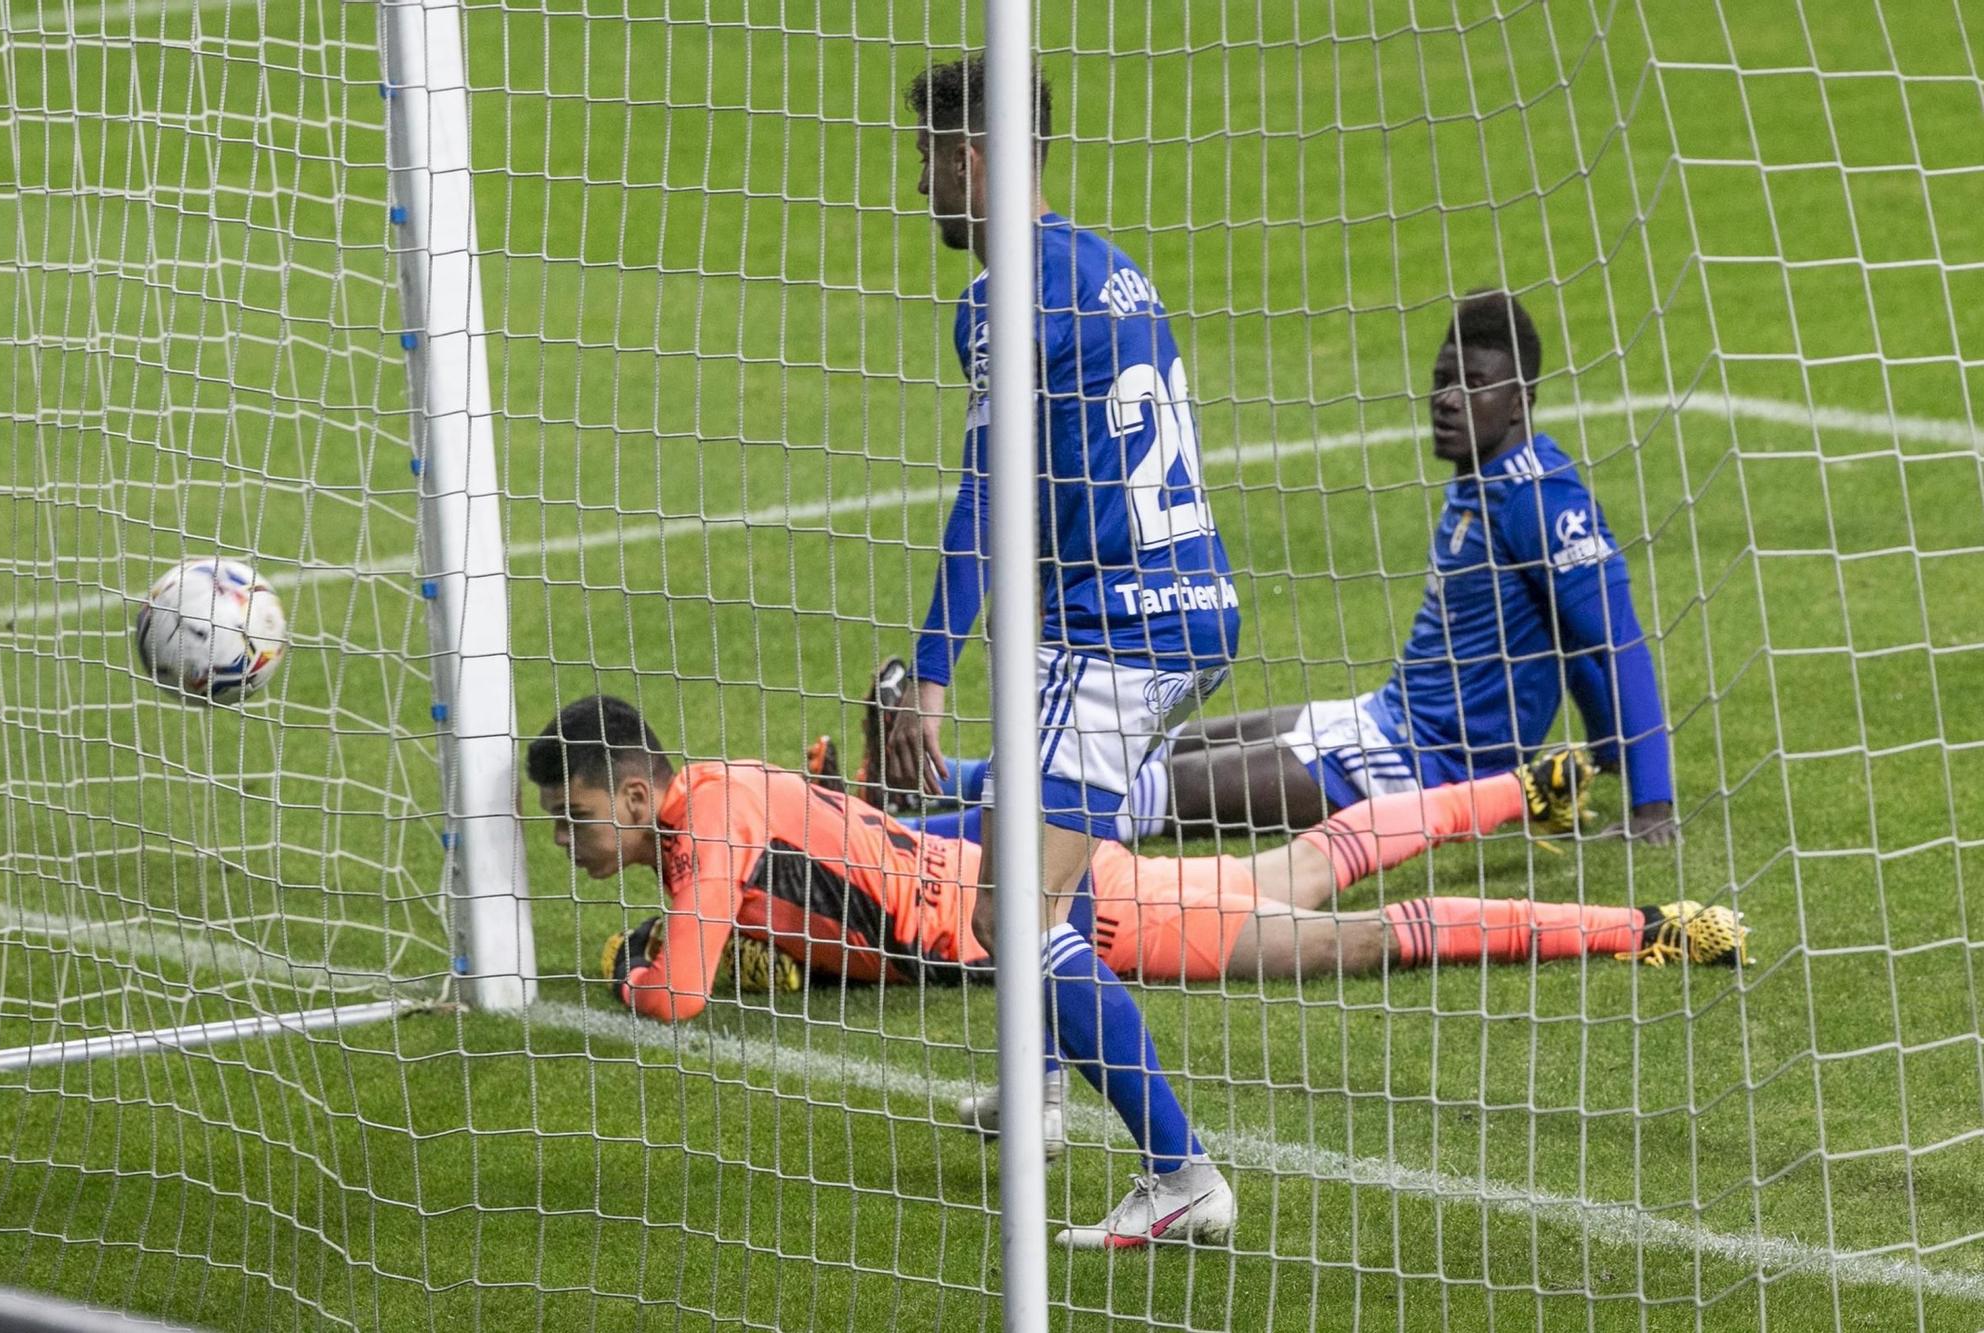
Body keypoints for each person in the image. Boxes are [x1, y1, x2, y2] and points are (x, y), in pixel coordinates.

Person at [529, 695, 1750, 1159]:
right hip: (1030, 879)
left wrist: (650, 966)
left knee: (1339, 927)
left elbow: (681, 992)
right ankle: (1519, 792)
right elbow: (803, 911)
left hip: (1075, 910)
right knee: (1304, 869)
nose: (564, 842)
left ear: (635, 797)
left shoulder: (720, 818)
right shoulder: (723, 811)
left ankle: (1640, 924)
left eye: (571, 817)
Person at [879, 52, 1250, 1248]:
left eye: (932, 157)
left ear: (974, 157)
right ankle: (1036, 1088)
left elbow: (987, 491)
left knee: (1003, 904)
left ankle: (1181, 1170)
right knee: (1047, 851)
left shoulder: (1002, 294)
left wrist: (929, 669)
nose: (921, 184)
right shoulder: (1110, 269)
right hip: (1190, 600)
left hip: (1115, 625)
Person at [1048, 292, 1679, 847]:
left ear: (1520, 403)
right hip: (1385, 716)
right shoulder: (1480, 481)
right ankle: (961, 781)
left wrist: (1651, 803)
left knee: (1165, 790)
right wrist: (1607, 752)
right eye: (1441, 380)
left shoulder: (1541, 502)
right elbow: (1568, 633)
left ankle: (949, 848)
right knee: (1152, 740)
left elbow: (1612, 638)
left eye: (1474, 385)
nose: (1448, 401)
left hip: (1426, 770)